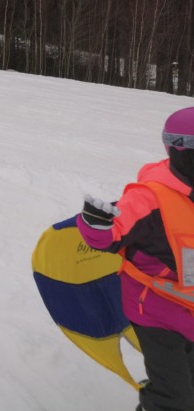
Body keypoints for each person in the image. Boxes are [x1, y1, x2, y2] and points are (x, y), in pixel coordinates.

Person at [77, 107, 194, 411]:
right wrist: (96, 225)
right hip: (157, 311)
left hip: (190, 310)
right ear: (181, 151)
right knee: (175, 398)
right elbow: (113, 234)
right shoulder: (149, 197)